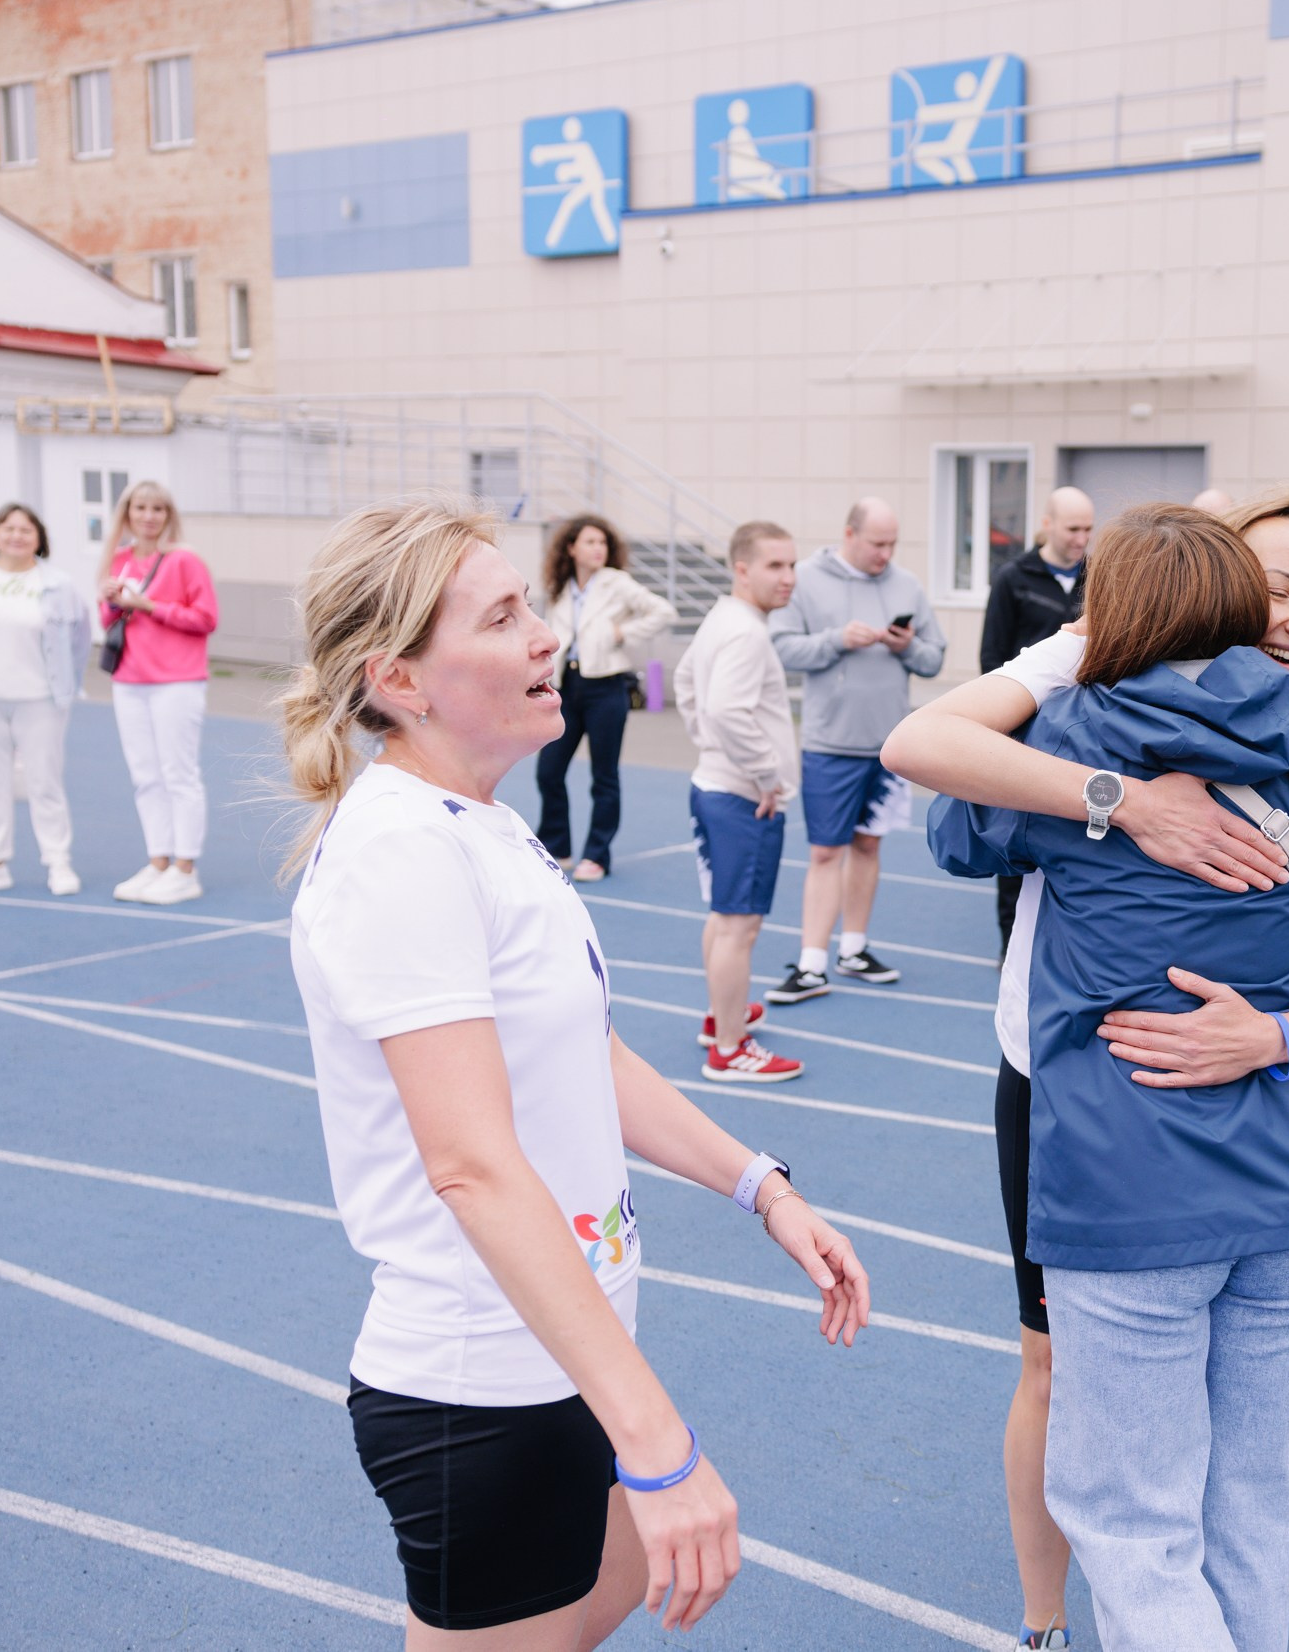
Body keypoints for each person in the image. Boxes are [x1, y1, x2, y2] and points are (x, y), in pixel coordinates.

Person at [279, 493, 869, 1649]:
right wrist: (655, 1436)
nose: (547, 634)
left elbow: (580, 1058)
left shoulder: (482, 826)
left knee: (608, 1594)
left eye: (530, 606)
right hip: (475, 1385)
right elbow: (473, 1166)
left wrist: (763, 1186)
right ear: (400, 677)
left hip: (551, 1361)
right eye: (504, 617)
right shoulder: (402, 853)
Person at [888, 498, 1289, 1652]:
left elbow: (937, 785)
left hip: (1129, 1183)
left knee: (1129, 1518)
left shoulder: (1069, 730)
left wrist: (1077, 688)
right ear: (1232, 599)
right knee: (1253, 1498)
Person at [766, 497, 945, 1002]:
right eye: (877, 544)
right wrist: (836, 640)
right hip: (831, 742)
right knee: (826, 851)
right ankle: (811, 963)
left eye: (892, 544)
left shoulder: (906, 584)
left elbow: (934, 658)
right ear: (849, 534)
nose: (886, 554)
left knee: (869, 845)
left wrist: (903, 645)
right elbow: (779, 647)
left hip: (889, 745)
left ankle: (854, 949)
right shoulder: (806, 579)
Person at [674, 523, 807, 1082]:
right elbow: (727, 711)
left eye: (792, 565)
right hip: (742, 798)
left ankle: (720, 1015)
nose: (788, 578)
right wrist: (765, 775)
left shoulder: (722, 620)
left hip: (717, 785)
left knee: (725, 917)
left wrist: (708, 743)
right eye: (775, 566)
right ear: (742, 569)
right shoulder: (747, 633)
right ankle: (729, 1047)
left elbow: (685, 682)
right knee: (739, 926)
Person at [0, 503, 91, 897]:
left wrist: (67, 686)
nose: (16, 536)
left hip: (40, 698)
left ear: (39, 538)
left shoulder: (57, 584)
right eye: (8, 528)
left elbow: (78, 640)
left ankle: (58, 862)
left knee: (44, 781)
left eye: (26, 529)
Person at [980, 486, 1095, 951]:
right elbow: (992, 656)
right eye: (1072, 529)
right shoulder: (1013, 577)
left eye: (1089, 529)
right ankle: (1011, 946)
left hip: (1082, 735)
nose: (1081, 539)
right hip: (1026, 732)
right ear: (1046, 523)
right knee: (1018, 840)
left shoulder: (1098, 576)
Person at [535, 515, 675, 882]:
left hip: (606, 687)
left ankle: (596, 855)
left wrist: (622, 632)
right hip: (566, 686)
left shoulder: (617, 583)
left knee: (604, 776)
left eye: (603, 543)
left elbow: (663, 611)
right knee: (548, 770)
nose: (598, 549)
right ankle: (557, 847)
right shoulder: (561, 587)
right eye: (590, 542)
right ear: (571, 548)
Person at [97, 481, 218, 905]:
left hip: (177, 680)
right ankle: (159, 861)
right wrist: (112, 600)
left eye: (157, 509)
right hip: (129, 680)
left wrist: (151, 606)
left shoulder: (185, 561)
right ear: (127, 514)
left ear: (168, 516)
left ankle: (186, 867)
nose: (148, 516)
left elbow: (206, 618)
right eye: (140, 508)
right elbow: (106, 618)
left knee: (178, 773)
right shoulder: (120, 560)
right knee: (145, 776)